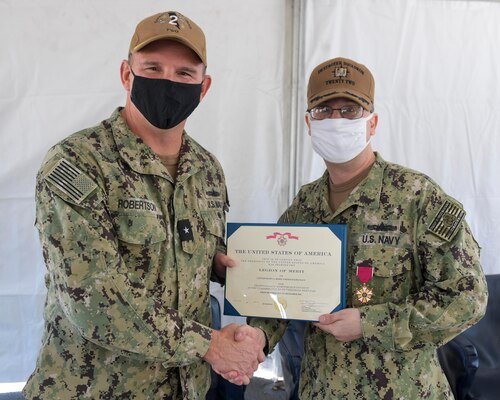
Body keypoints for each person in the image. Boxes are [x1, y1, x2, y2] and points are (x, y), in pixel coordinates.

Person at [23, 11, 264, 400]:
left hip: (187, 389)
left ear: (203, 88)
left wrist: (216, 261)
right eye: (153, 67)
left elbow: (183, 254)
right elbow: (93, 297)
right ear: (126, 74)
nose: (168, 82)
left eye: (184, 74)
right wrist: (212, 345)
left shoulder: (206, 169)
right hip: (95, 390)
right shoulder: (78, 162)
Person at [244, 57, 489, 399]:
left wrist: (369, 324)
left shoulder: (418, 198)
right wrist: (258, 336)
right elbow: (280, 290)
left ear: (372, 123)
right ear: (309, 123)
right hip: (321, 390)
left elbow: (467, 298)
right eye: (324, 111)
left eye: (350, 111)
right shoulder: (305, 206)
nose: (335, 120)